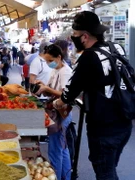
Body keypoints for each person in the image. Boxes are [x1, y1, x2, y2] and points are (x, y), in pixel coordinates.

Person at [53, 11, 132, 180]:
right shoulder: (116, 47)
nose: (73, 39)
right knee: (110, 167)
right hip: (125, 122)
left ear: (84, 36)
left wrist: (59, 102)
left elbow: (70, 90)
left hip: (104, 128)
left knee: (105, 172)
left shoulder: (89, 56)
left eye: (75, 35)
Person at [35, 44, 73, 180]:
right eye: (46, 61)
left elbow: (64, 95)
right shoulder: (56, 70)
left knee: (57, 150)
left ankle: (58, 176)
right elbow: (51, 88)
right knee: (61, 148)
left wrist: (48, 89)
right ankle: (64, 176)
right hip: (56, 112)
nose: (48, 63)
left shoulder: (65, 71)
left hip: (62, 114)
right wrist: (43, 86)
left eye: (50, 60)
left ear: (59, 57)